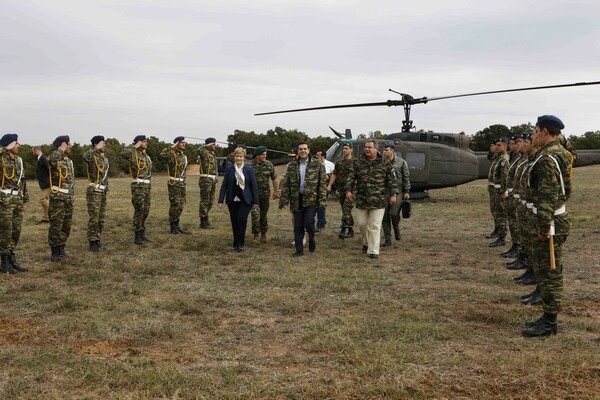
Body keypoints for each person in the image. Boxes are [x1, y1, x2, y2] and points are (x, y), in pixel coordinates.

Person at [522, 115, 572, 337]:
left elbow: (547, 195)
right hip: (557, 217)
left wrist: (544, 227)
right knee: (549, 269)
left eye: (535, 131)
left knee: (549, 271)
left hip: (549, 221)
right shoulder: (562, 153)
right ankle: (548, 316)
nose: (533, 135)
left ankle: (550, 321)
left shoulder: (546, 158)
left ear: (544, 131)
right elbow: (566, 189)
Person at [345, 140, 398, 259]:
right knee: (362, 224)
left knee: (375, 226)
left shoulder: (385, 162)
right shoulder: (358, 162)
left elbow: (392, 180)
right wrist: (348, 190)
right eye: (366, 147)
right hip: (362, 199)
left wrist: (393, 194)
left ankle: (373, 251)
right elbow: (351, 177)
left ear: (376, 149)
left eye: (369, 147)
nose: (367, 149)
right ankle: (366, 242)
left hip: (378, 200)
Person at [279, 142, 327, 257]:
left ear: (309, 150)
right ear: (298, 151)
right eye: (300, 149)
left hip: (311, 199)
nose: (303, 151)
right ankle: (299, 250)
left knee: (308, 222)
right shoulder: (292, 165)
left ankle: (311, 238)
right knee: (298, 225)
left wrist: (322, 201)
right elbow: (287, 184)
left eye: (305, 149)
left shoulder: (318, 164)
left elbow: (322, 184)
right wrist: (284, 200)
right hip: (297, 199)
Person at [218, 147, 259, 251]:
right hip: (232, 200)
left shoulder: (249, 170)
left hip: (246, 200)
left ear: (244, 157)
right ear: (234, 157)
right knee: (234, 221)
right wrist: (220, 200)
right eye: (237, 156)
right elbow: (224, 185)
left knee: (241, 219)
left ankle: (241, 243)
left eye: (240, 156)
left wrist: (256, 201)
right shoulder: (229, 170)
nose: (238, 158)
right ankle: (236, 243)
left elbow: (253, 186)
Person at [0, 134, 29, 273]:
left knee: (16, 230)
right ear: (9, 144)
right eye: (16, 143)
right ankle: (4, 261)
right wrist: (4, 149)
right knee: (5, 230)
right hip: (4, 200)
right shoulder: (2, 158)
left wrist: (25, 198)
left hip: (17, 199)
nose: (18, 146)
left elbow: (22, 180)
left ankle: (11, 258)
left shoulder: (19, 160)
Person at [121, 135, 152, 245]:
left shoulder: (146, 156)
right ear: (138, 143)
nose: (146, 143)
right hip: (138, 186)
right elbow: (123, 153)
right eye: (144, 141)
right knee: (139, 210)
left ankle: (142, 232)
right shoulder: (133, 154)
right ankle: (137, 234)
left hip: (147, 186)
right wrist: (135, 146)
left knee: (146, 210)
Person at [48, 135, 75, 262]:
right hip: (58, 197)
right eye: (68, 144)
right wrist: (60, 150)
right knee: (56, 225)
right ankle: (54, 251)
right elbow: (50, 159)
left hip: (68, 197)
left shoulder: (68, 161)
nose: (71, 146)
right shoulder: (54, 158)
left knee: (66, 225)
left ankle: (61, 247)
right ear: (63, 145)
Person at [381, 142, 410, 246]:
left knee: (394, 213)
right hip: (384, 191)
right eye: (384, 150)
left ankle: (396, 228)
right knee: (384, 216)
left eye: (386, 150)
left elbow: (406, 177)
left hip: (397, 191)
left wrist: (407, 191)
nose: (384, 152)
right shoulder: (381, 163)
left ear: (392, 151)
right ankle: (388, 239)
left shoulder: (401, 162)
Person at [84, 135, 110, 252]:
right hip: (94, 191)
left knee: (101, 218)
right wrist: (95, 148)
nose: (105, 145)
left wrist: (106, 188)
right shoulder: (91, 155)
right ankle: (92, 241)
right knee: (94, 217)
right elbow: (85, 156)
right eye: (102, 143)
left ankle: (98, 239)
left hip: (102, 191)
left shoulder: (104, 158)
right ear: (96, 144)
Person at [248, 145, 278, 243]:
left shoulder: (269, 165)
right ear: (257, 155)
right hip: (253, 195)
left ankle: (263, 234)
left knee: (263, 215)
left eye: (265, 154)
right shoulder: (250, 165)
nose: (264, 156)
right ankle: (256, 234)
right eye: (262, 154)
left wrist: (276, 191)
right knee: (255, 214)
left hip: (265, 194)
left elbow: (274, 178)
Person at [160, 136, 188, 234]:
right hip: (174, 183)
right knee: (175, 204)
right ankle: (173, 226)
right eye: (182, 142)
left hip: (181, 183)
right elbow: (163, 154)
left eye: (184, 142)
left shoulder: (183, 156)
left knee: (180, 205)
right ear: (177, 144)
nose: (184, 144)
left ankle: (177, 224)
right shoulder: (172, 154)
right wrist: (172, 147)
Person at [327, 142, 355, 239]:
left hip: (352, 190)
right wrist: (329, 185)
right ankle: (350, 229)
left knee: (346, 209)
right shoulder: (339, 163)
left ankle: (343, 230)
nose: (344, 150)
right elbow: (334, 174)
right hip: (341, 189)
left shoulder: (356, 162)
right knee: (345, 210)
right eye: (343, 149)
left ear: (351, 149)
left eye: (346, 148)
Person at [488, 138, 509, 248]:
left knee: (501, 214)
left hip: (499, 191)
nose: (496, 147)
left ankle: (502, 237)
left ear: (505, 146)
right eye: (496, 145)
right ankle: (498, 233)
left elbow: (504, 177)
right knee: (495, 212)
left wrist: (503, 191)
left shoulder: (504, 160)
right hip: (494, 190)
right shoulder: (498, 158)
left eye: (499, 145)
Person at [198, 137, 218, 229]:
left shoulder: (212, 154)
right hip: (206, 179)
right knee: (205, 200)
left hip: (212, 179)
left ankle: (206, 217)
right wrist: (206, 145)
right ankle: (203, 221)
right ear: (209, 145)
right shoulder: (204, 152)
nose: (215, 146)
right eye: (213, 144)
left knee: (210, 201)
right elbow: (199, 149)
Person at [314, 150, 335, 232]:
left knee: (321, 206)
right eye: (316, 155)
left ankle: (320, 225)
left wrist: (329, 182)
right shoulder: (313, 164)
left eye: (318, 155)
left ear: (323, 156)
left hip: (324, 188)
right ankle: (322, 221)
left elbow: (334, 175)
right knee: (314, 206)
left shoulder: (330, 164)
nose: (316, 157)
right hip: (314, 188)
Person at [32, 146, 50, 223]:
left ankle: (54, 209)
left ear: (36, 150)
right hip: (44, 183)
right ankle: (46, 217)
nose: (33, 154)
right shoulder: (41, 158)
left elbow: (49, 169)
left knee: (42, 199)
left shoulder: (43, 158)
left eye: (33, 152)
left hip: (46, 183)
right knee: (45, 199)